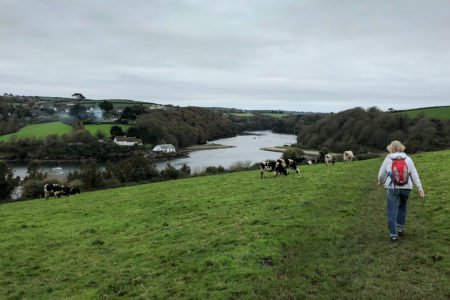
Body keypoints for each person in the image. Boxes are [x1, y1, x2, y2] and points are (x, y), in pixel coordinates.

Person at [377, 140, 425, 242]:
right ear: (402, 148)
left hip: (392, 188)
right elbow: (414, 175)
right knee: (402, 206)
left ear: (390, 148)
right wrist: (420, 188)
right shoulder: (408, 159)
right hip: (406, 188)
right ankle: (400, 228)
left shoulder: (388, 159)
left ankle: (393, 235)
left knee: (391, 210)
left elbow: (381, 174)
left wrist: (380, 181)